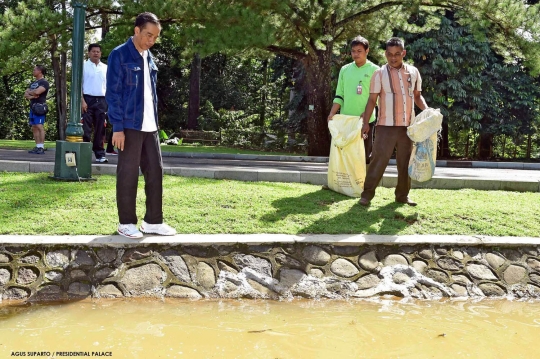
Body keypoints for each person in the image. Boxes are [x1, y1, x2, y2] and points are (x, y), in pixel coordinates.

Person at [106, 12, 176, 239]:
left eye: (155, 37)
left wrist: (155, 123)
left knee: (155, 171)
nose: (151, 40)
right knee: (127, 174)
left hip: (150, 127)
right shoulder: (120, 55)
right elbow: (113, 93)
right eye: (148, 35)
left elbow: (150, 93)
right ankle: (126, 223)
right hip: (128, 126)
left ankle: (153, 221)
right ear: (136, 31)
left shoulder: (149, 57)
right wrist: (117, 127)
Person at [359, 37, 429, 207]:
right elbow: (371, 100)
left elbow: (417, 96)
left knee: (405, 162)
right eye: (390, 54)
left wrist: (428, 112)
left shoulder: (413, 72)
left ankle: (402, 196)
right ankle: (366, 195)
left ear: (403, 53)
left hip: (408, 127)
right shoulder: (379, 74)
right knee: (378, 160)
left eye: (397, 54)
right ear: (385, 54)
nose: (393, 58)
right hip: (385, 127)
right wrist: (365, 123)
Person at [327, 35, 379, 163]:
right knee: (347, 154)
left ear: (367, 51)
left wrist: (366, 115)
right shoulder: (345, 70)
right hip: (347, 120)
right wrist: (332, 113)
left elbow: (377, 97)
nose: (356, 54)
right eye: (353, 51)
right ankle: (347, 181)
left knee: (364, 154)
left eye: (359, 51)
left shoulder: (376, 70)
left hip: (366, 120)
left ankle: (364, 182)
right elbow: (339, 95)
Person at [82, 43, 113, 163]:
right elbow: (79, 85)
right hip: (87, 99)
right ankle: (84, 154)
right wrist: (82, 101)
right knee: (85, 128)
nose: (96, 53)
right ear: (89, 53)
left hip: (101, 100)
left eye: (98, 51)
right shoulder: (83, 66)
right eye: (93, 51)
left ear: (100, 53)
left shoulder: (105, 67)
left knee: (101, 128)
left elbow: (109, 86)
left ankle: (100, 154)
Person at [24, 65, 49, 155]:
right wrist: (33, 94)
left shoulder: (44, 82)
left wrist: (32, 92)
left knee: (39, 126)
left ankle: (41, 147)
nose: (33, 71)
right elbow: (25, 94)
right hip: (32, 107)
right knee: (34, 127)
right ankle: (38, 146)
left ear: (40, 71)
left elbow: (38, 92)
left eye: (35, 70)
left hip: (39, 107)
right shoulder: (33, 83)